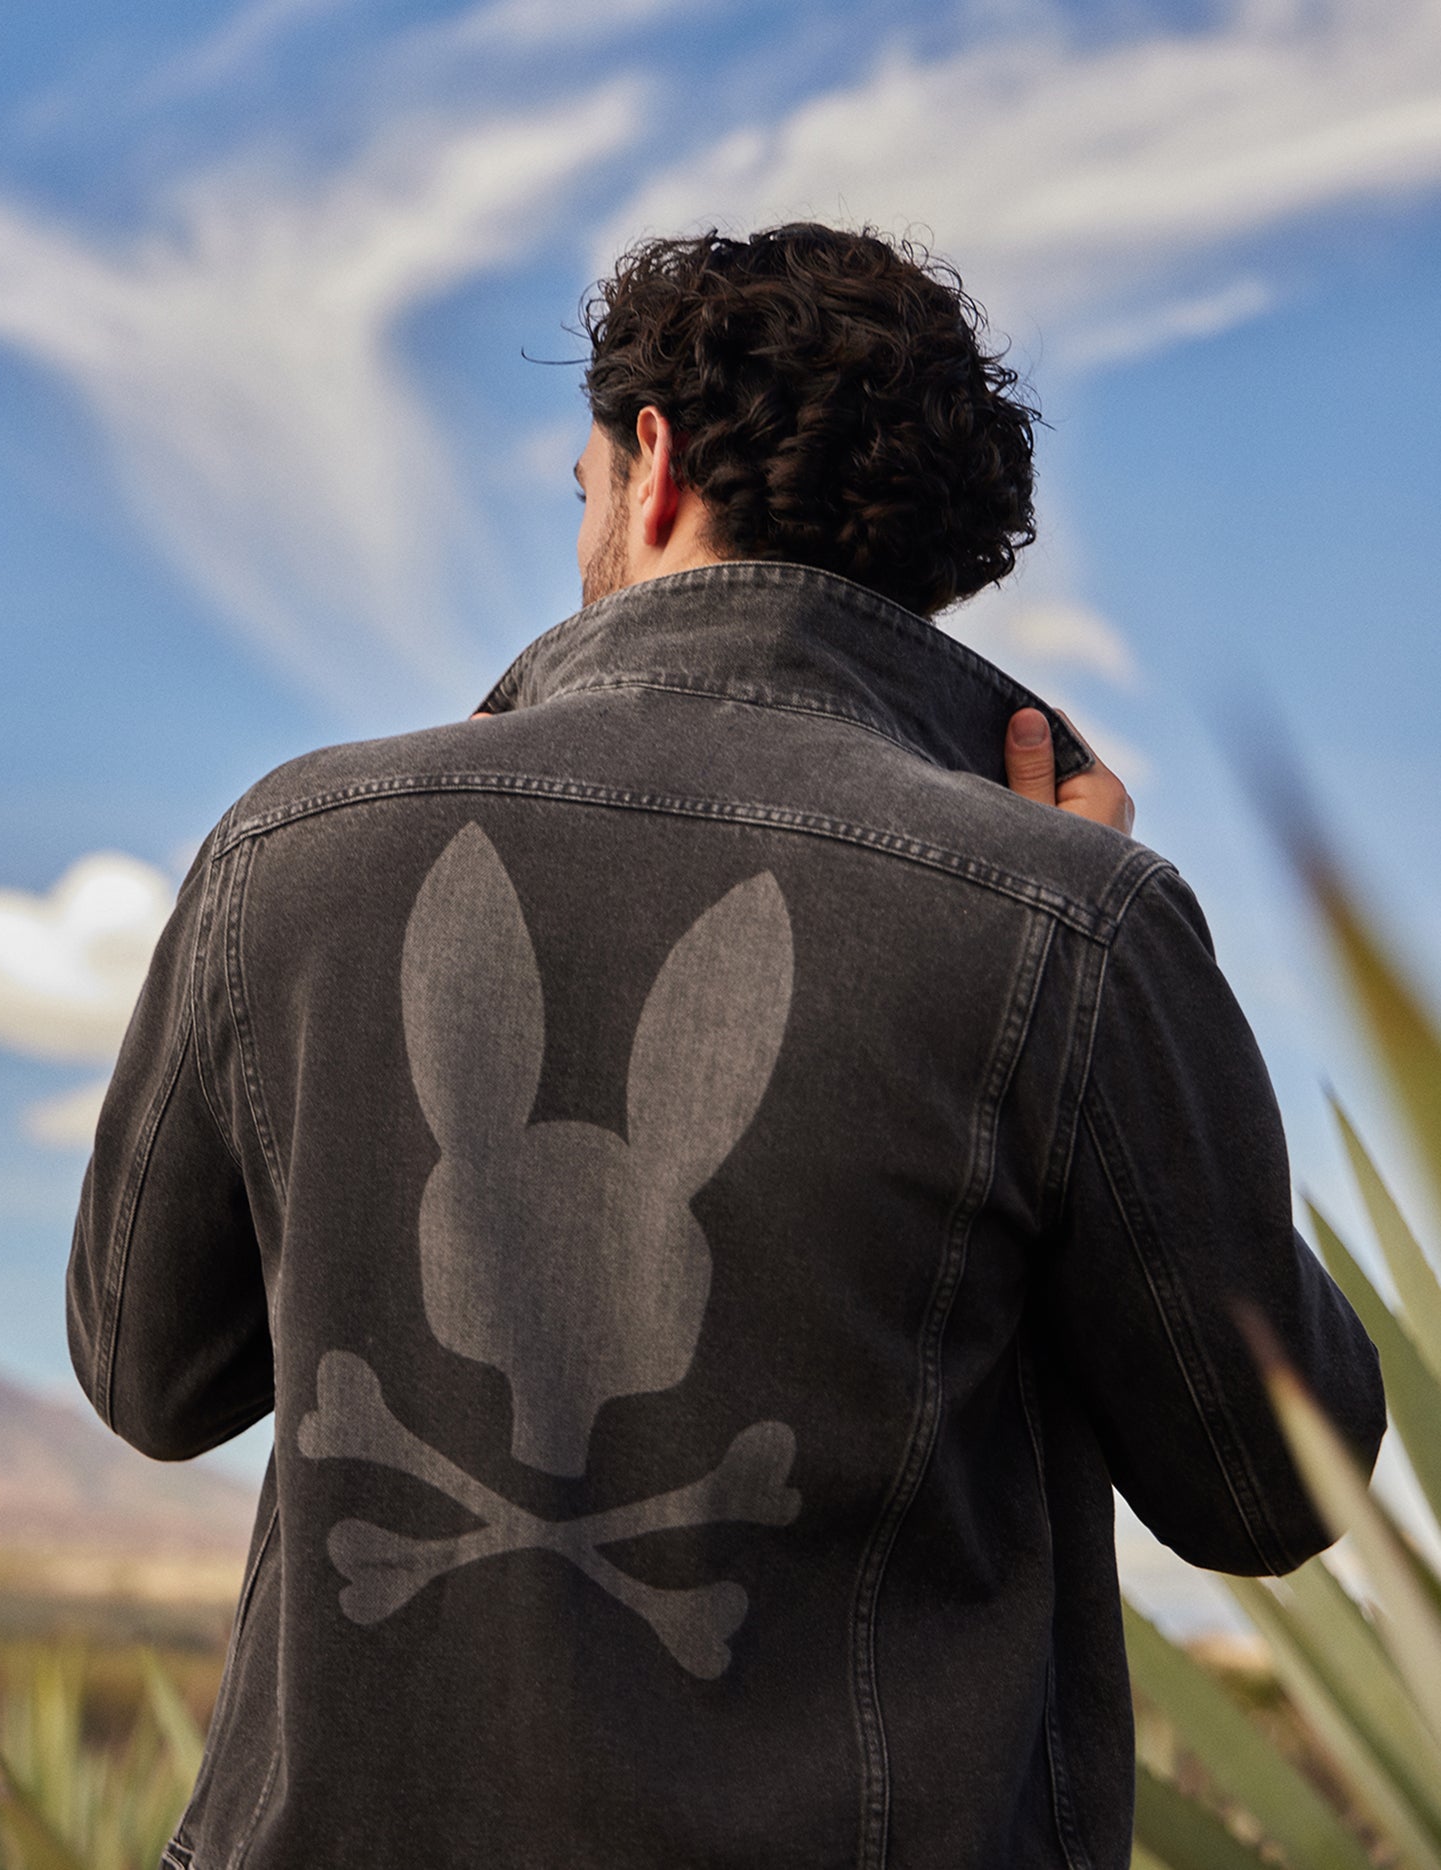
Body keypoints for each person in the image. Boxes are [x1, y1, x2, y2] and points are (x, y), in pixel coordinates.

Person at [68, 224, 1384, 1870]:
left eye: (579, 489)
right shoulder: (1065, 918)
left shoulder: (292, 851)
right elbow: (1267, 1487)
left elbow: (144, 1376)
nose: (581, 531)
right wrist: (1094, 956)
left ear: (655, 465)